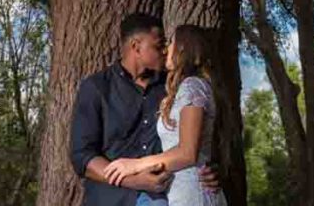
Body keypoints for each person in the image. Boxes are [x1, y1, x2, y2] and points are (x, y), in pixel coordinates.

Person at [70, 13, 221, 206]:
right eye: (159, 46)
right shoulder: (97, 87)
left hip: (166, 196)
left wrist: (209, 168)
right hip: (111, 198)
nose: (165, 51)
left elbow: (195, 140)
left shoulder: (173, 89)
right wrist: (132, 180)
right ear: (136, 47)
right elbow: (82, 156)